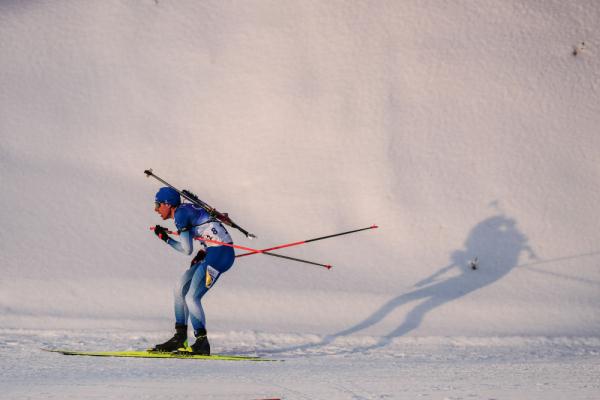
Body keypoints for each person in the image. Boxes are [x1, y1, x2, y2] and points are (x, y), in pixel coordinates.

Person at [150, 186, 235, 355]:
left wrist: (165, 238)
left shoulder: (181, 214)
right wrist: (203, 251)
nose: (156, 209)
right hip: (214, 251)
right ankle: (180, 338)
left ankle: (202, 342)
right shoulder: (186, 209)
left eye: (158, 204)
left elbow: (186, 249)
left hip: (220, 253)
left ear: (168, 204)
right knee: (180, 288)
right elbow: (206, 229)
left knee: (192, 296)